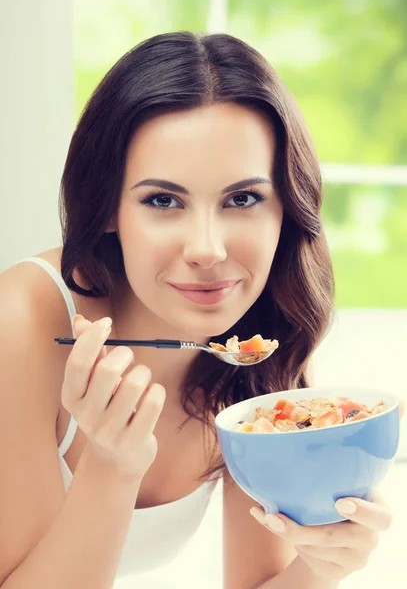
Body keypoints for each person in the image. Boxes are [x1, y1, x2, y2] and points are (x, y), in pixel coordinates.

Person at [0, 31, 399, 589]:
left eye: (242, 199)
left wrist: (322, 564)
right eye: (163, 200)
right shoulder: (21, 323)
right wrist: (112, 467)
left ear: (286, 207)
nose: (208, 249)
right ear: (109, 207)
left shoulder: (257, 343)